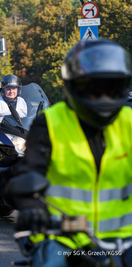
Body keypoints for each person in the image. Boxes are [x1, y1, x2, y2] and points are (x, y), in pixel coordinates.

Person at [12, 39, 132, 266]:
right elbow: (27, 171)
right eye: (95, 89)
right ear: (75, 86)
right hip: (63, 239)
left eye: (112, 88)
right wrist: (31, 208)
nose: (103, 97)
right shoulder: (49, 123)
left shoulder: (130, 122)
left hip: (125, 242)